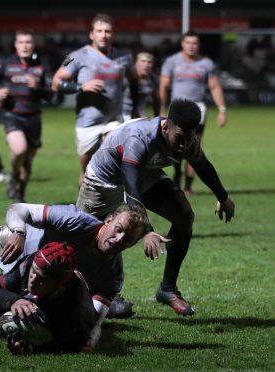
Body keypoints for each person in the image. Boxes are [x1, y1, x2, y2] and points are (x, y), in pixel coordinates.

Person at [77, 99, 235, 316]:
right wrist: (147, 230)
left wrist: (223, 197)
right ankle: (98, 295)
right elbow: (131, 186)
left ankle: (167, 289)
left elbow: (202, 165)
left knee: (184, 216)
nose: (184, 145)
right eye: (180, 138)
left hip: (144, 173)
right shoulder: (139, 138)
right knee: (89, 237)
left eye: (190, 139)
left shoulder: (186, 139)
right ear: (165, 126)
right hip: (104, 180)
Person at [0, 203, 154, 322]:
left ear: (133, 244)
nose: (119, 239)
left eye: (128, 239)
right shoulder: (75, 219)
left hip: (31, 279)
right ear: (108, 221)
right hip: (16, 242)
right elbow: (18, 209)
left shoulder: (113, 274)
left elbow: (91, 318)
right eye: (118, 230)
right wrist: (18, 232)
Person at [52, 13, 138, 185]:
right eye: (99, 31)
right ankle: (85, 208)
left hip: (114, 121)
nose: (104, 35)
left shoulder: (125, 57)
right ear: (92, 34)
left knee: (111, 160)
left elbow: (134, 81)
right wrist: (81, 87)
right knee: (86, 174)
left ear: (113, 34)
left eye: (107, 31)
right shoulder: (76, 56)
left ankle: (115, 207)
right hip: (87, 124)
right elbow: (56, 83)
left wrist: (134, 107)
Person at [159, 31, 228, 195]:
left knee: (194, 145)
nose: (191, 46)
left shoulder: (206, 63)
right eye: (188, 42)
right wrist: (161, 107)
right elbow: (164, 86)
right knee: (174, 143)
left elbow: (214, 87)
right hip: (176, 109)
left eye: (195, 43)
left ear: (198, 45)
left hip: (198, 109)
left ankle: (188, 186)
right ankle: (177, 173)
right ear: (182, 43)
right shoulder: (172, 61)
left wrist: (222, 109)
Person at [0, 29, 53, 202]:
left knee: (28, 162)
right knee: (19, 149)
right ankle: (14, 177)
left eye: (28, 42)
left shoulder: (42, 64)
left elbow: (50, 94)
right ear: (16, 44)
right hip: (12, 114)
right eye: (21, 42)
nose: (25, 46)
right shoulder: (5, 63)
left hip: (33, 118)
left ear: (33, 44)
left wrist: (38, 88)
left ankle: (20, 194)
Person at [122, 52, 160, 121]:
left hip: (140, 113)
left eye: (149, 62)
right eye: (143, 61)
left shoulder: (153, 79)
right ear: (136, 63)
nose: (146, 65)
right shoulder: (127, 77)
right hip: (123, 113)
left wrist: (157, 118)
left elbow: (156, 101)